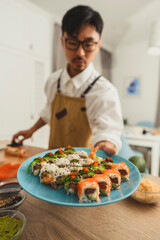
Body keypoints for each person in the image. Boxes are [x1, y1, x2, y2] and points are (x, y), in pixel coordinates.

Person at [12, 5, 123, 155]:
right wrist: (31, 130)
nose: (80, 53)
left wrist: (106, 142)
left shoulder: (105, 91)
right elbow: (49, 111)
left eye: (88, 44)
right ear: (62, 42)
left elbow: (109, 130)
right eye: (72, 43)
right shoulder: (52, 81)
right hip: (51, 163)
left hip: (83, 170)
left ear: (98, 46)